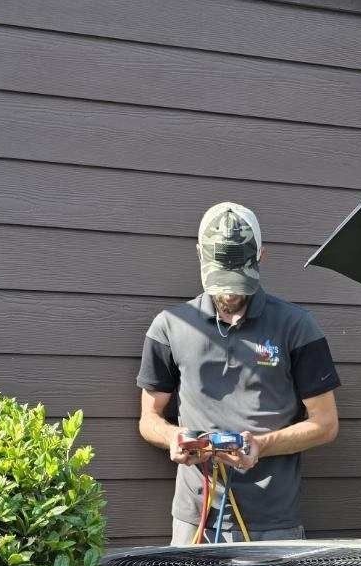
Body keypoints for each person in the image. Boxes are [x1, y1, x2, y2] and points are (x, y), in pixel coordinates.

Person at [137, 202, 340, 544]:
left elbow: (326, 424)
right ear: (200, 253)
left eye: (238, 281)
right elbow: (148, 417)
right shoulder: (169, 326)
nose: (230, 292)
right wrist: (174, 438)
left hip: (273, 522)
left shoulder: (297, 326)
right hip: (194, 519)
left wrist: (260, 445)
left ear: (261, 254)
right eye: (221, 280)